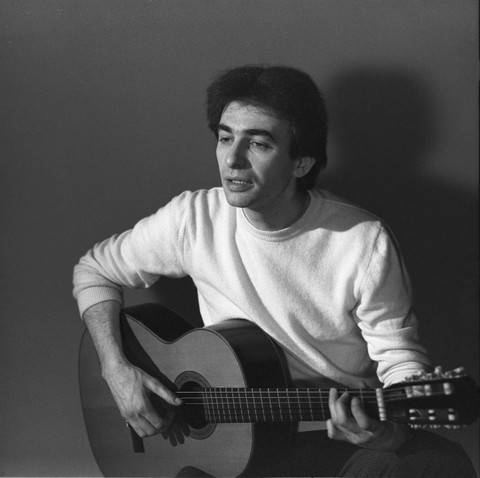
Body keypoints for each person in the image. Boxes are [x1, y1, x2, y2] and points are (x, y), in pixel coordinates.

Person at [73, 65, 476, 477]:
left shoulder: (361, 240)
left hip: (333, 440)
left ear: (301, 162)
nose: (232, 160)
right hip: (226, 449)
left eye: (258, 144)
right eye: (225, 138)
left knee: (434, 463)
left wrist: (391, 432)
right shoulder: (192, 219)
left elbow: (398, 356)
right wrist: (116, 369)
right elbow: (94, 271)